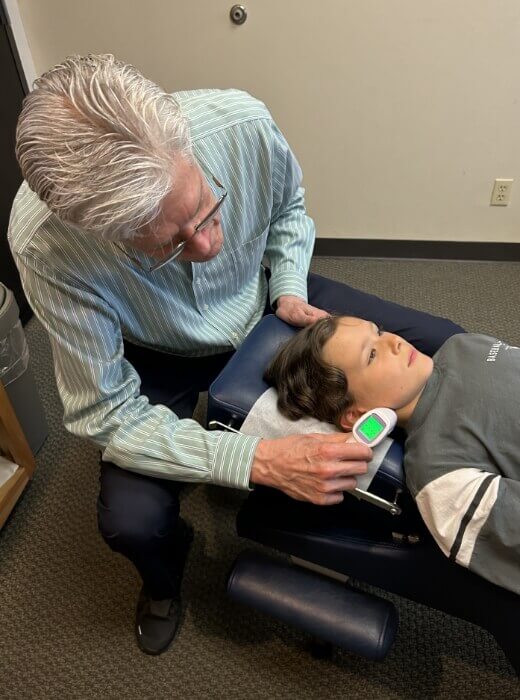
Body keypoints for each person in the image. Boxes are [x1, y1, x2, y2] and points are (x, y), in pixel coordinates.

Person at [9, 53, 463, 655]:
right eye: (169, 244)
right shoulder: (46, 245)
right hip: (154, 349)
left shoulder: (240, 125)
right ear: (98, 232)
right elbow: (107, 414)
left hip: (271, 301)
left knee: (446, 343)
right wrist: (257, 461)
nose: (205, 244)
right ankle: (165, 580)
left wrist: (290, 289)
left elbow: (289, 212)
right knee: (131, 522)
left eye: (207, 208)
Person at [265, 315, 520, 595]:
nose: (394, 342)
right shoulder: (438, 469)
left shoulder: (461, 345)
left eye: (379, 331)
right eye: (372, 354)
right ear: (355, 414)